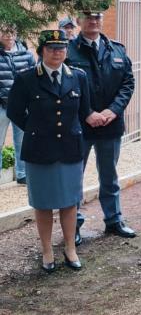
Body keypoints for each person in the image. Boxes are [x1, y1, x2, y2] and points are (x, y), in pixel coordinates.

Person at [7, 30, 96, 272]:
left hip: (70, 148)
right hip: (39, 150)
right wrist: (35, 129)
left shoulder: (78, 77)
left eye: (61, 47)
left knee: (69, 203)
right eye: (51, 48)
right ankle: (47, 250)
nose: (57, 52)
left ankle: (70, 248)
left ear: (66, 50)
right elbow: (15, 112)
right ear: (41, 51)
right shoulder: (26, 78)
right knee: (44, 204)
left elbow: (84, 110)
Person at [65, 9, 137, 246]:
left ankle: (114, 220)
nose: (93, 20)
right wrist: (86, 113)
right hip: (80, 127)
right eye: (87, 16)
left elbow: (128, 82)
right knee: (75, 177)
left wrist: (112, 110)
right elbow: (65, 87)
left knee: (109, 175)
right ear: (78, 21)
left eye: (97, 16)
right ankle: (72, 224)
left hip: (110, 124)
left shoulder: (117, 49)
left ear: (102, 20)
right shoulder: (68, 50)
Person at [0, 24, 35, 185]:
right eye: (4, 32)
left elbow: (34, 77)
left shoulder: (26, 54)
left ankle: (22, 174)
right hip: (1, 105)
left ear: (16, 33)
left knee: (22, 141)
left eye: (11, 32)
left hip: (22, 106)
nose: (8, 35)